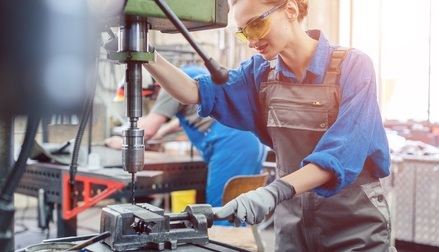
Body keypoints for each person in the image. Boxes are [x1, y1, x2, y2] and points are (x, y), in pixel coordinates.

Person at [142, 0, 395, 251]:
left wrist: (272, 192)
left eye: (256, 26)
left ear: (291, 10)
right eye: (243, 33)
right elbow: (193, 91)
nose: (251, 42)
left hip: (351, 218)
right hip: (292, 219)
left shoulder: (352, 66)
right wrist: (144, 51)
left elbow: (341, 152)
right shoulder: (259, 73)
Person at [105, 64, 268, 226]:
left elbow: (148, 130)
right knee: (241, 207)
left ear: (155, 85)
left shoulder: (169, 82)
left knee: (223, 211)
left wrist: (120, 142)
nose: (155, 100)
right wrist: (162, 133)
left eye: (152, 96)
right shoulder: (190, 73)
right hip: (250, 142)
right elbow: (186, 118)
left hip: (230, 146)